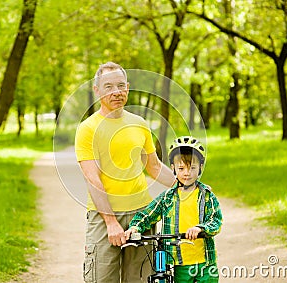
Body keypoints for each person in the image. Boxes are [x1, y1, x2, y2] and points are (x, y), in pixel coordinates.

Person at [74, 61, 176, 283]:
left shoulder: (139, 124)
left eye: (121, 86)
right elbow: (93, 180)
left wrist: (189, 188)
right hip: (104, 217)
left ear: (128, 88)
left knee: (140, 279)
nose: (116, 92)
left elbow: (154, 167)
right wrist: (111, 222)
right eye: (109, 86)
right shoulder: (88, 129)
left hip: (142, 214)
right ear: (97, 90)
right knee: (101, 279)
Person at [125, 136, 223, 283]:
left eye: (192, 168)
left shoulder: (207, 196)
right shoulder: (167, 198)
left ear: (201, 168)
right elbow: (148, 214)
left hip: (206, 262)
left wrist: (200, 228)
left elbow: (216, 221)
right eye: (181, 168)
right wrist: (135, 227)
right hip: (180, 263)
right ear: (173, 168)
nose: (187, 173)